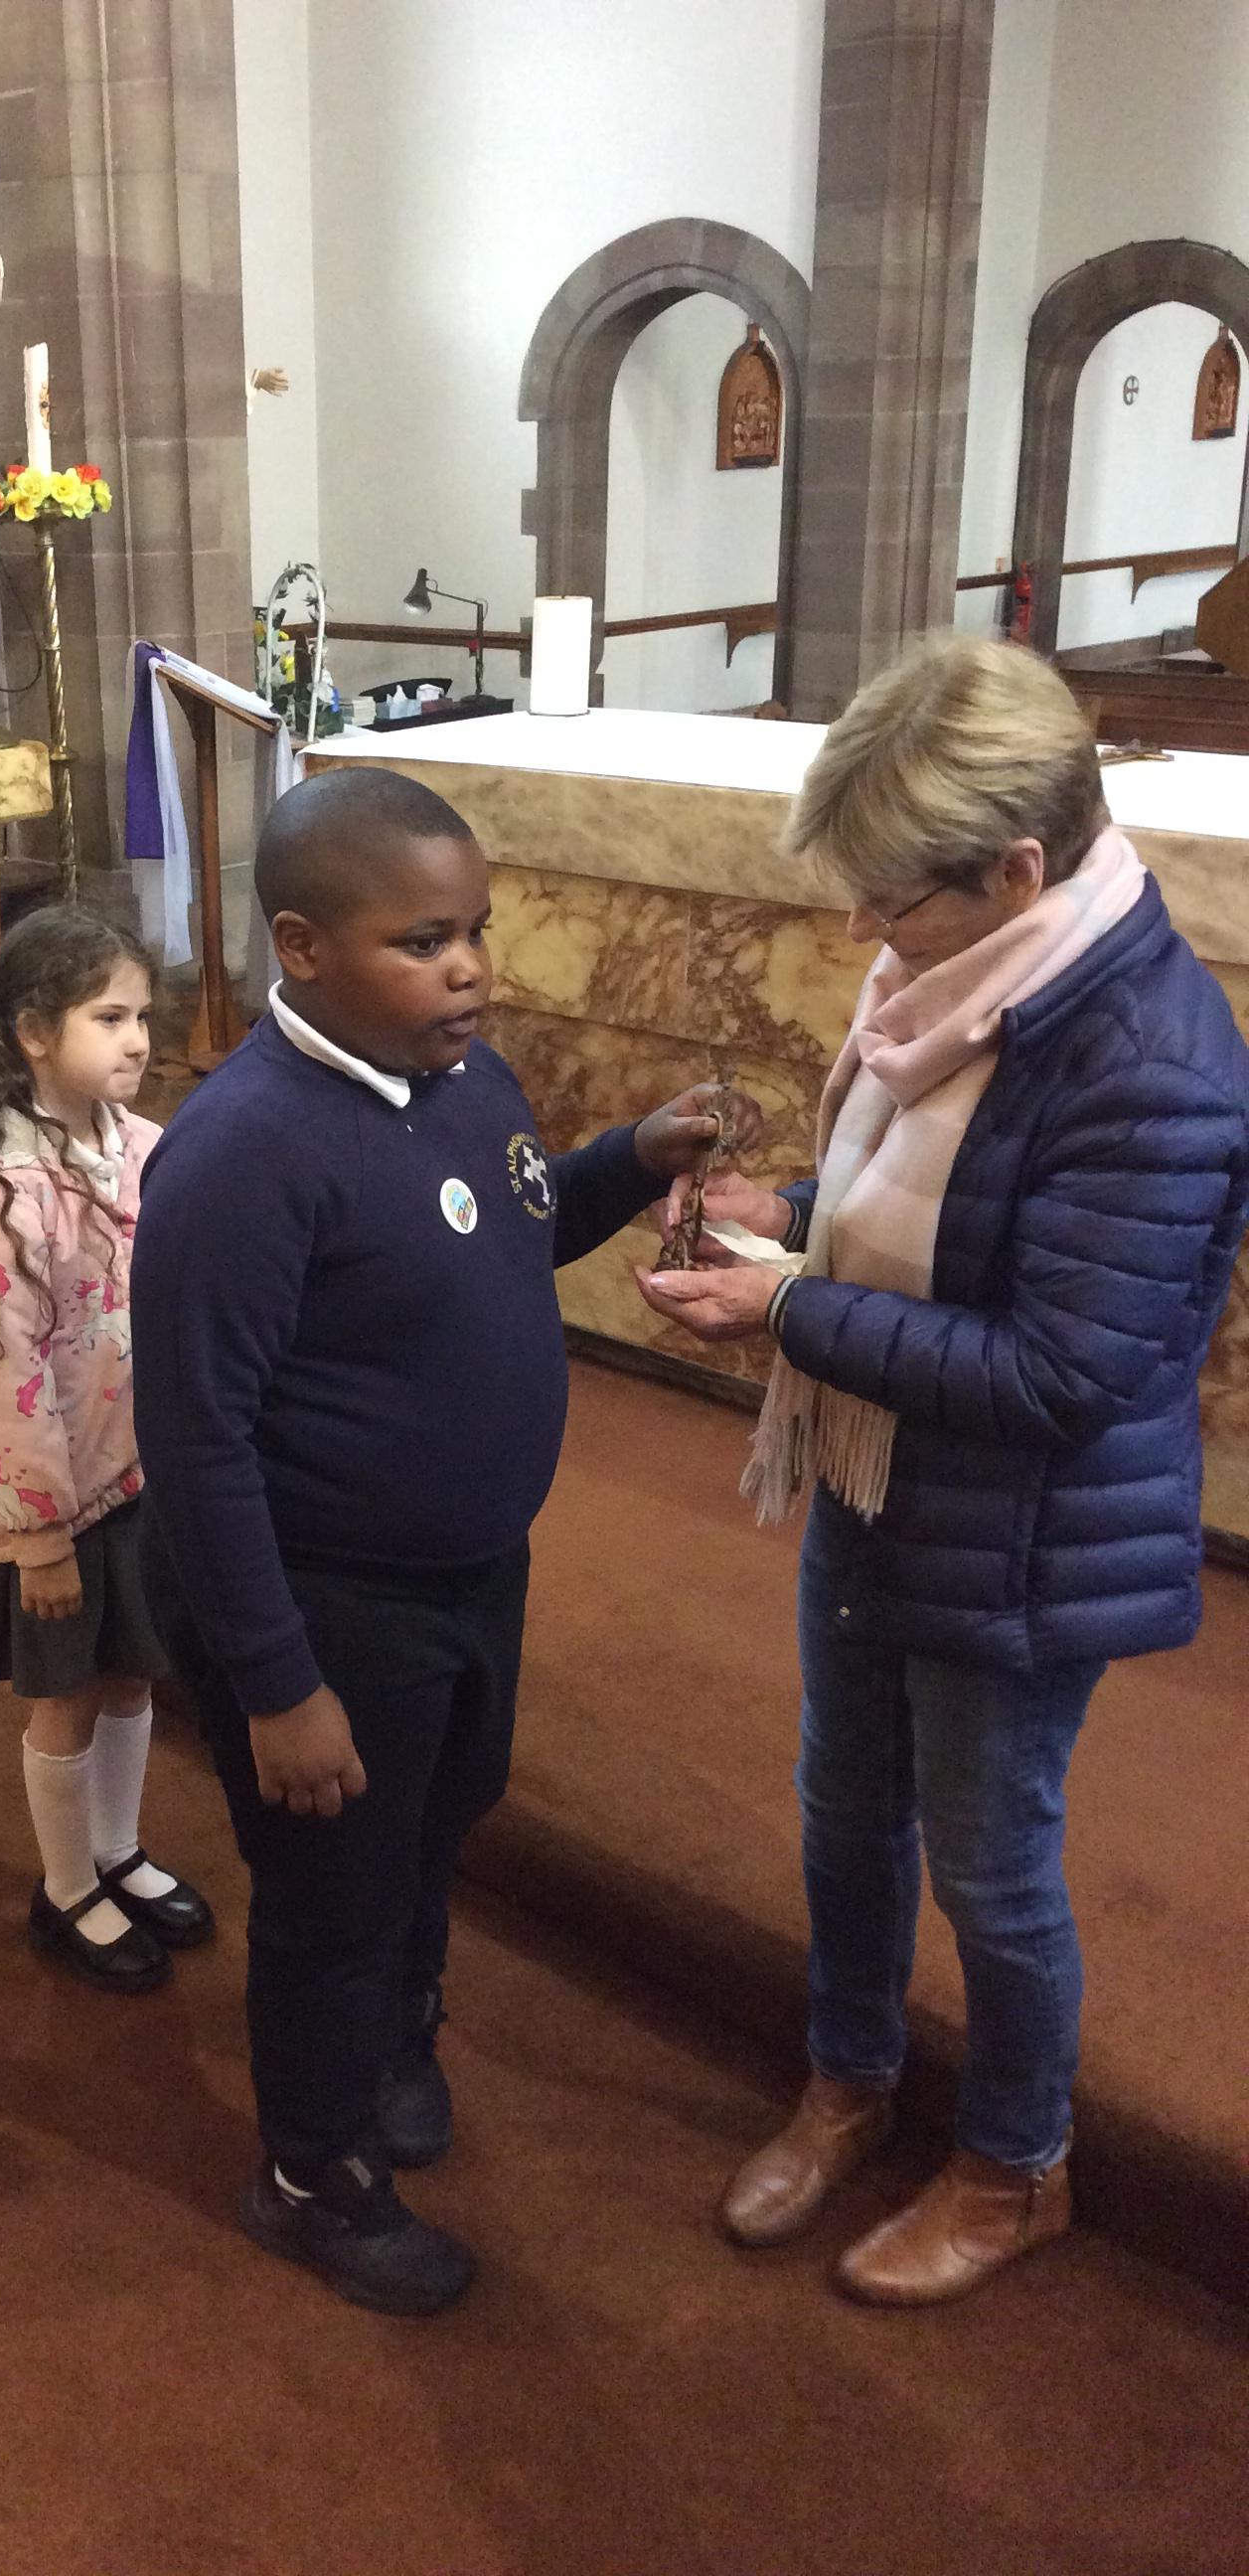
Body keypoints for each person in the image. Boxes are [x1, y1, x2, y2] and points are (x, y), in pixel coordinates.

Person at [638, 633, 1249, 2307]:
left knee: (990, 1863)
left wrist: (788, 1308)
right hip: (880, 1474)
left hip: (1024, 1532)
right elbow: (928, 1212)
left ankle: (1015, 2164)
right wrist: (786, 1222)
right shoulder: (968, 975)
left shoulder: (1148, 1060)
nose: (862, 934)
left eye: (890, 898)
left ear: (1018, 869)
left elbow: (1061, 1374)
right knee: (845, 1810)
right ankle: (850, 2081)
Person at [130, 765, 758, 2315]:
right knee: (333, 1899)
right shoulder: (244, 1152)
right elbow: (196, 1444)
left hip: (471, 1575)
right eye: (423, 941)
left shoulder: (468, 1078)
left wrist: (629, 1157)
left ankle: (395, 2043)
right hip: (327, 1600)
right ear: (302, 947)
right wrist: (278, 1684)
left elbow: (518, 1224)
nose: (470, 967)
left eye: (475, 929)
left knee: (430, 1831)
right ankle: (312, 2176)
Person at [0, 906, 212, 1993]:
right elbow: (0, 1381)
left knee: (131, 1676)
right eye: (109, 1018)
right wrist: (44, 1538)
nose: (138, 1040)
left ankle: (118, 1850)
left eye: (142, 1016)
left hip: (137, 1469)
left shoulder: (137, 1146)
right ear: (31, 1031)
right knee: (66, 1697)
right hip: (54, 1500)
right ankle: (66, 1889)